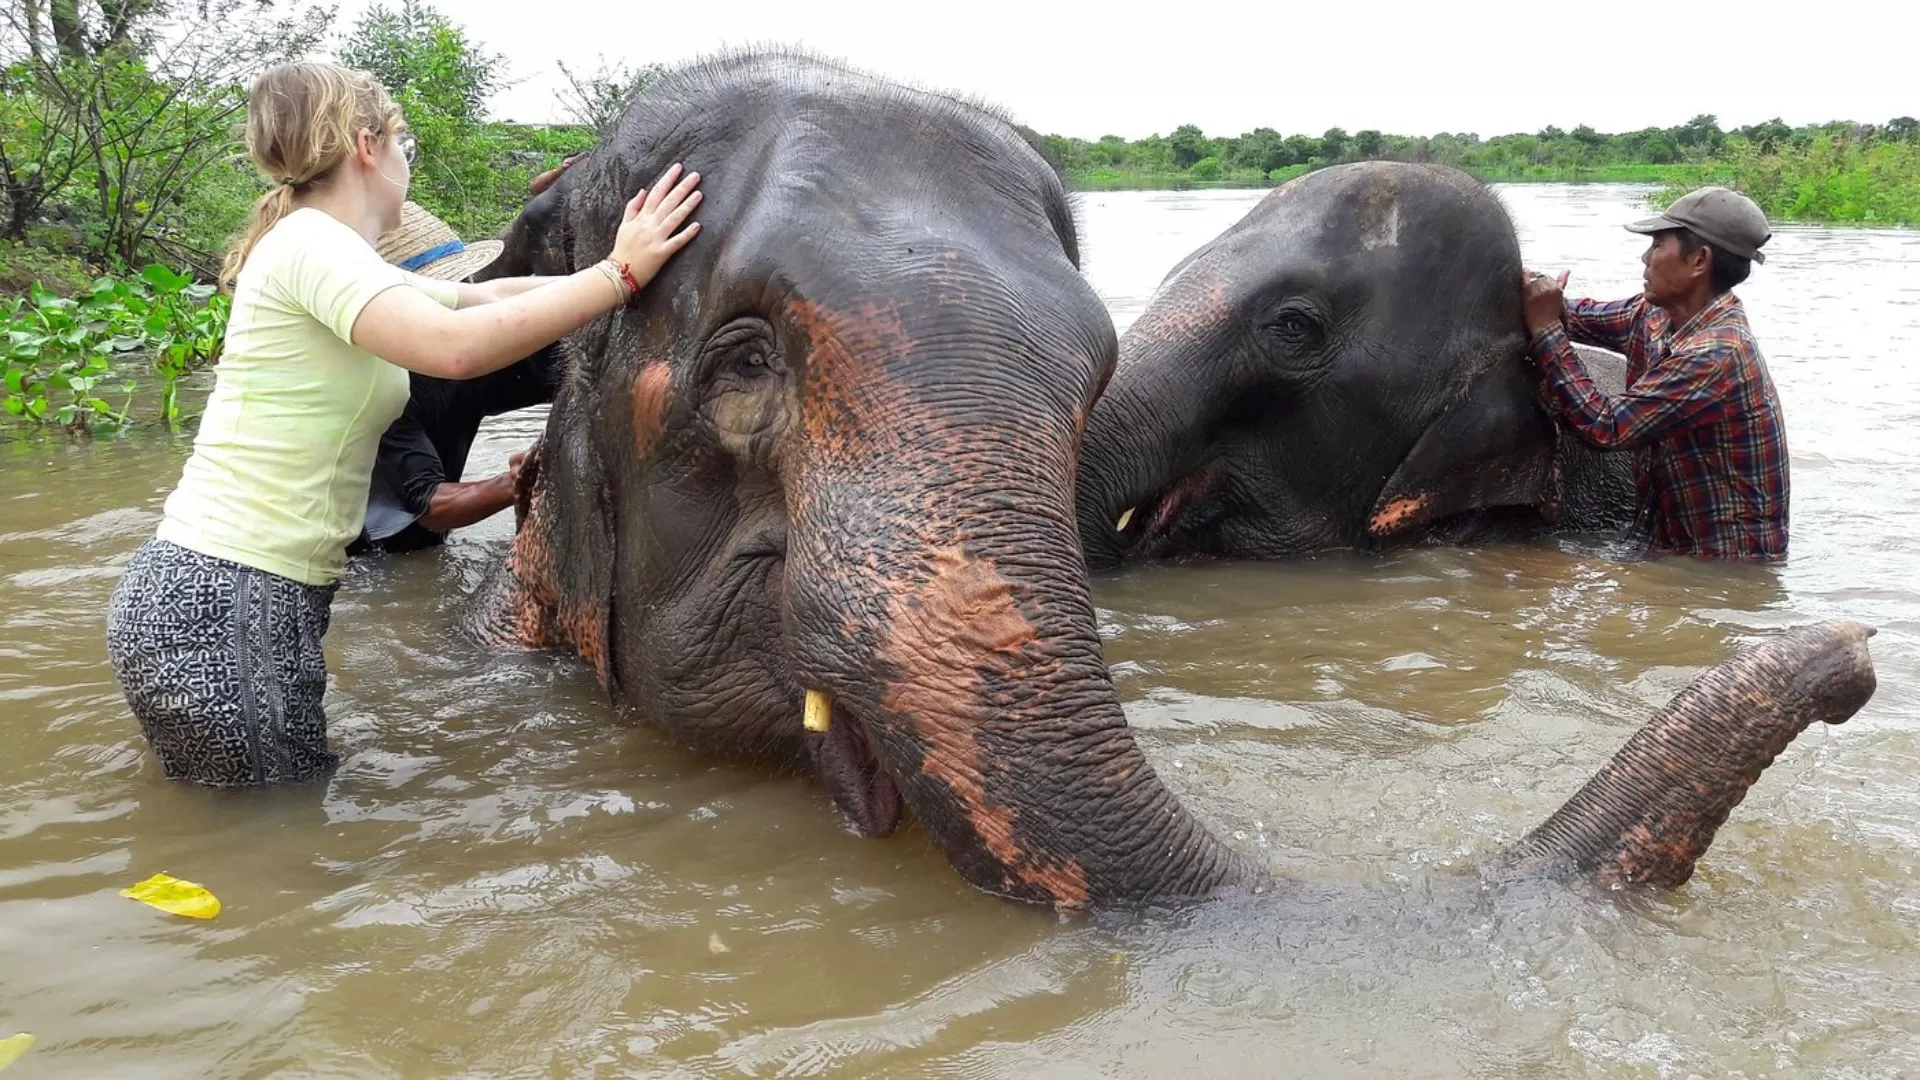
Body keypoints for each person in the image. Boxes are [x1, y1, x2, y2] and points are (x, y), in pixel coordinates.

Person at [104, 61, 703, 787]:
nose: (402, 162)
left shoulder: (322, 251)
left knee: (260, 851)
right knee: (280, 854)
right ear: (367, 147)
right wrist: (621, 278)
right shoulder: (311, 245)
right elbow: (455, 350)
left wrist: (623, 265)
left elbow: (485, 301)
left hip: (230, 600)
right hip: (226, 602)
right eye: (403, 145)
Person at [1520, 186, 1789, 561]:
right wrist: (1540, 296)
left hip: (1724, 566)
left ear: (1698, 261)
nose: (1645, 257)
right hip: (1662, 541)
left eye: (1658, 245)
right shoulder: (1657, 315)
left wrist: (1547, 331)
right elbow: (1577, 315)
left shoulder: (1717, 354)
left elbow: (1606, 426)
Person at [351, 201, 547, 556]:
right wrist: (520, 480)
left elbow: (553, 371)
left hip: (422, 550)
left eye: (464, 282)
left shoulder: (466, 360)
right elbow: (430, 507)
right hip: (367, 565)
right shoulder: (376, 387)